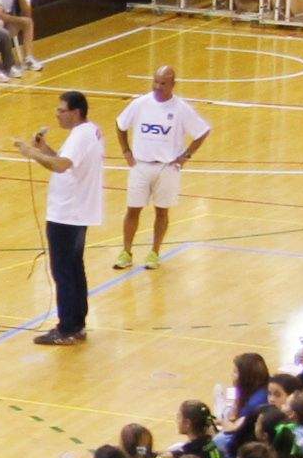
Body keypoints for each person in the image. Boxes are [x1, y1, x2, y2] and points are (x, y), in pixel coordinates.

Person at [108, 65, 210, 275]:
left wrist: (186, 156)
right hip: (141, 165)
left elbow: (202, 131)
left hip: (167, 167)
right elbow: (120, 125)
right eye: (155, 81)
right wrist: (126, 150)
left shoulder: (181, 108)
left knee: (161, 211)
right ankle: (126, 252)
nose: (158, 86)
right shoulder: (140, 104)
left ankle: (154, 252)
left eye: (163, 83)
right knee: (133, 209)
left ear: (173, 84)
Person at [22, 87, 99, 346]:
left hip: (67, 213)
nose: (57, 115)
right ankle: (77, 323)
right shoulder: (89, 132)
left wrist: (32, 153)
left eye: (61, 110)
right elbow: (66, 162)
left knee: (63, 270)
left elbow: (62, 166)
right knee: (75, 268)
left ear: (76, 112)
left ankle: (67, 327)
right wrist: (46, 150)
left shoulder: (80, 136)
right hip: (78, 212)